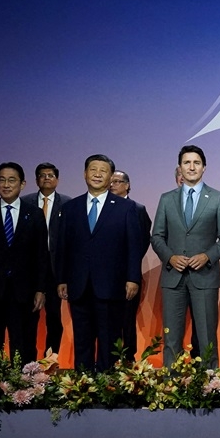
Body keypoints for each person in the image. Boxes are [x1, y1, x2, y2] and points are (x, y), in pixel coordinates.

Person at [57, 155, 142, 371]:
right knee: (82, 339)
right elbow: (62, 247)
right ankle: (82, 386)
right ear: (84, 174)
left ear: (110, 176)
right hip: (78, 285)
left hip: (111, 285)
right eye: (92, 169)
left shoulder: (125, 208)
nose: (97, 174)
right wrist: (62, 279)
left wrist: (132, 278)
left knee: (109, 339)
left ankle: (107, 388)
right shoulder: (70, 208)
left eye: (102, 171)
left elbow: (134, 246)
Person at [151, 145, 220, 367]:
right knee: (171, 337)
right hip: (173, 277)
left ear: (204, 167)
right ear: (179, 168)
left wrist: (207, 256)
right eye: (187, 162)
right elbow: (157, 236)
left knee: (207, 337)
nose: (191, 167)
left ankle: (209, 387)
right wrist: (170, 257)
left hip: (204, 277)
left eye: (196, 162)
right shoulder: (167, 199)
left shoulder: (218, 198)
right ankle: (171, 386)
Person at [0, 162, 49, 362]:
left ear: (22, 184)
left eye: (11, 180)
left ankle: (24, 389)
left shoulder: (35, 213)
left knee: (23, 343)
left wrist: (41, 289)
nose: (6, 184)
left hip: (25, 292)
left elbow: (41, 254)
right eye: (2, 180)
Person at [20, 162, 71, 358]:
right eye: (42, 175)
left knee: (54, 317)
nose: (46, 178)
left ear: (57, 180)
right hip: (29, 271)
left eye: (50, 175)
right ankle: (28, 362)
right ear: (36, 180)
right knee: (28, 317)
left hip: (55, 271)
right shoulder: (25, 202)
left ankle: (51, 359)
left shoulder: (67, 204)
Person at [108, 170, 152, 360]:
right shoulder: (104, 208)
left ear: (127, 185)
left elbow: (142, 241)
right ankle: (109, 358)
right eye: (111, 182)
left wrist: (129, 266)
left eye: (117, 182)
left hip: (128, 274)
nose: (113, 185)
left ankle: (128, 359)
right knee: (108, 320)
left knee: (127, 319)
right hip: (106, 276)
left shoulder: (137, 208)